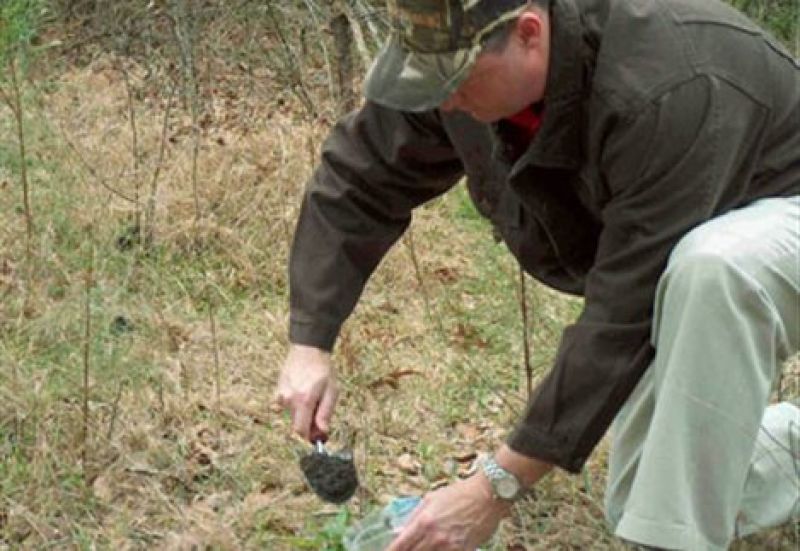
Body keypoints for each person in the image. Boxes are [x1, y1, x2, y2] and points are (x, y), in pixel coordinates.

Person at [275, 0, 800, 549]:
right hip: (693, 234)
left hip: (772, 219)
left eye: (455, 78)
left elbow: (624, 312)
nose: (445, 97)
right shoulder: (456, 62)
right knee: (646, 496)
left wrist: (494, 487)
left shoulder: (665, 82)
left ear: (529, 33)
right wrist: (310, 340)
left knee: (713, 266)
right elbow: (360, 179)